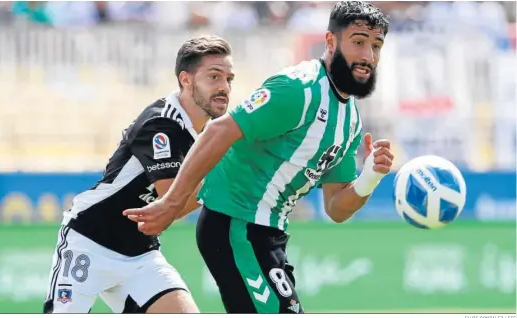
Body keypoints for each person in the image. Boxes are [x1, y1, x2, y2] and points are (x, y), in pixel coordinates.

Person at [124, 1, 394, 314]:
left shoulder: (351, 121)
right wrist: (172, 203)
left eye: (376, 45)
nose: (367, 56)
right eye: (358, 42)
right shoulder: (299, 89)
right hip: (236, 225)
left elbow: (336, 207)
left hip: (267, 235)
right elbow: (218, 132)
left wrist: (370, 176)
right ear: (331, 42)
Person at [43, 35, 235, 314]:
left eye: (229, 79)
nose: (224, 87)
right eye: (214, 77)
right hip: (90, 241)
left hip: (138, 255)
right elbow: (172, 201)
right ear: (186, 79)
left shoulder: (210, 131)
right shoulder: (162, 123)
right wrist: (234, 178)